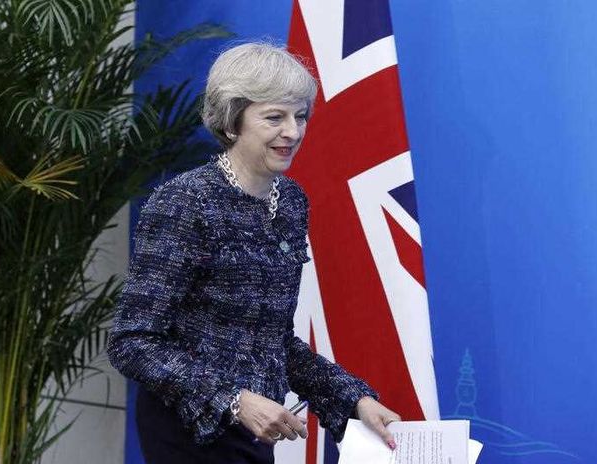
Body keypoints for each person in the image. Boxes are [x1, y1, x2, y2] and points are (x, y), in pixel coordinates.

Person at [107, 42, 401, 464]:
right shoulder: (185, 202)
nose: (293, 132)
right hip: (189, 431)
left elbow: (272, 340)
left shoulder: (291, 202)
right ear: (232, 122)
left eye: (299, 116)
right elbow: (133, 341)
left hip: (258, 425)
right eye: (274, 117)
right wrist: (233, 399)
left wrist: (354, 402)